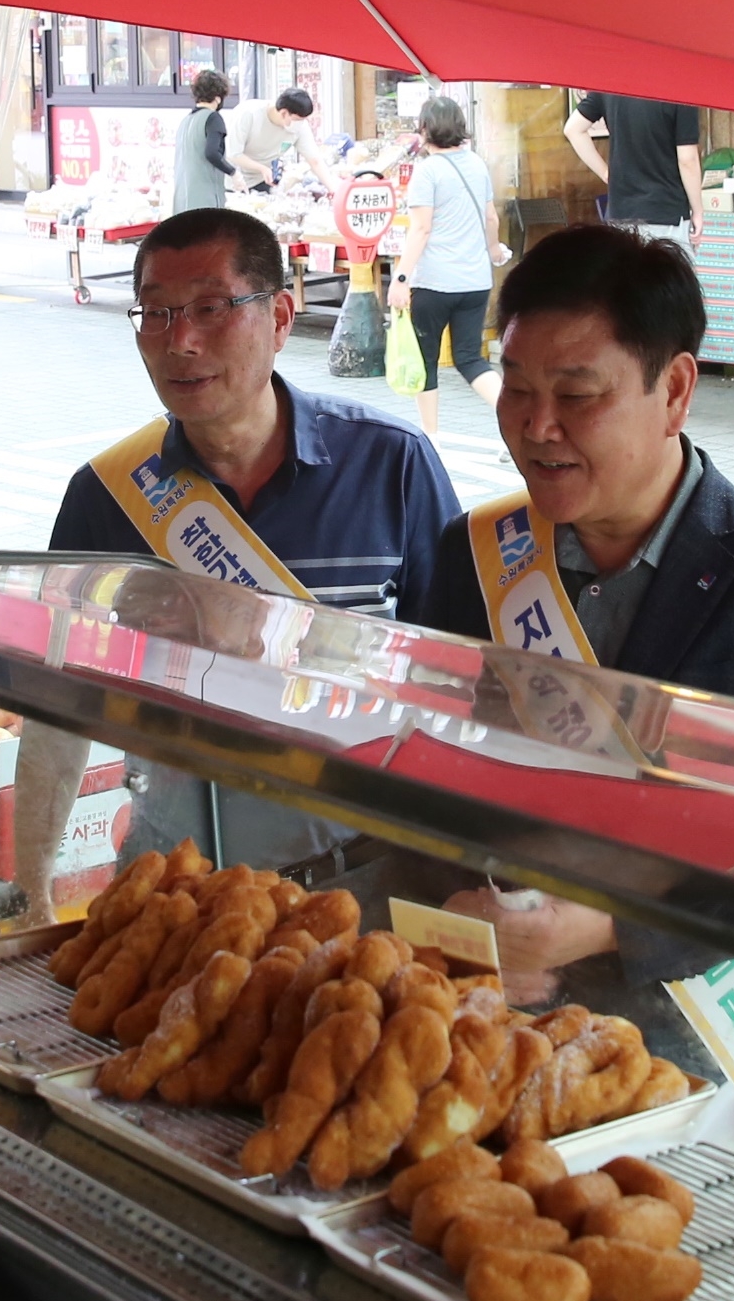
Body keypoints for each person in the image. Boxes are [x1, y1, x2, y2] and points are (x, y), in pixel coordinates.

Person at [397, 224, 734, 1000]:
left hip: (694, 1031)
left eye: (577, 395)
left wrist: (614, 923)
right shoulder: (473, 553)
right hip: (481, 999)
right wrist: (447, 909)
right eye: (516, 388)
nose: (535, 426)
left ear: (676, 391)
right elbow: (418, 769)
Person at [28, 207, 458, 917]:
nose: (180, 341)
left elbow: (455, 686)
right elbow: (55, 705)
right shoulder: (108, 496)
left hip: (357, 889)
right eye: (156, 312)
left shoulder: (389, 465)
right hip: (173, 887)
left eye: (209, 308)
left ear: (281, 317)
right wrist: (33, 890)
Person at [387, 96, 513, 442]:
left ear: (425, 129)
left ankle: (431, 436)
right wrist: (493, 250)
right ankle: (514, 415)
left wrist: (400, 278)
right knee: (470, 358)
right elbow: (491, 216)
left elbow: (421, 230)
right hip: (475, 282)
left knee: (426, 360)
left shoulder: (428, 172)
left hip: (434, 284)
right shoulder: (476, 163)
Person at [564, 91, 703, 254]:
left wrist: (605, 172)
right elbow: (687, 160)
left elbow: (573, 129)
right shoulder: (680, 89)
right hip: (666, 213)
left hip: (620, 217)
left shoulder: (610, 86)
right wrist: (698, 210)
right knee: (666, 278)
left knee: (626, 279)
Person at [225, 88, 339, 193]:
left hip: (264, 180)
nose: (300, 124)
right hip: (235, 180)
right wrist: (261, 168)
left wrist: (333, 190)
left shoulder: (300, 127)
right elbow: (234, 154)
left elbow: (315, 161)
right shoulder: (249, 113)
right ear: (284, 113)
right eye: (297, 120)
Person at [172, 69, 235, 215]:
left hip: (182, 202)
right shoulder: (213, 118)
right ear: (218, 98)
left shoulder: (185, 121)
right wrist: (233, 172)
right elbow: (212, 153)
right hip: (205, 201)